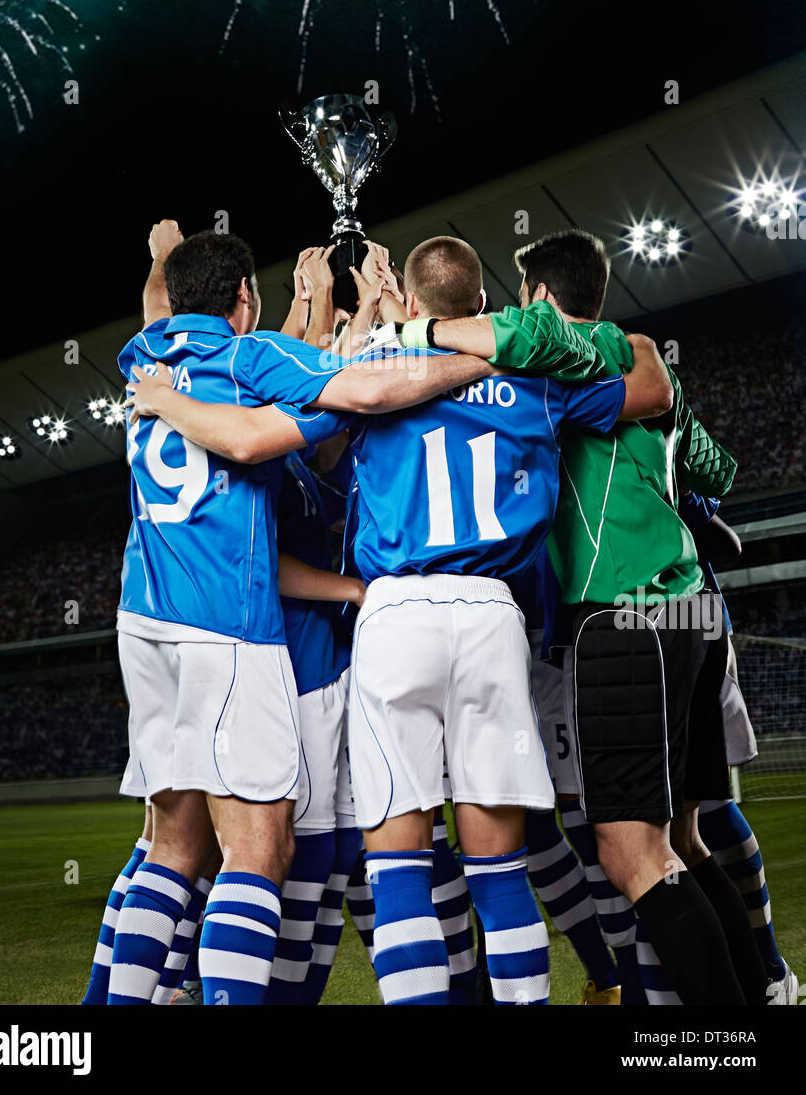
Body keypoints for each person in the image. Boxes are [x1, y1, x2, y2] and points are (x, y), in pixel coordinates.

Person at [125, 234, 672, 1005]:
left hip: (393, 614)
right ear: (481, 306)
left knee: (397, 862)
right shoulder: (536, 378)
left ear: (412, 306)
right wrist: (552, 344)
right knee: (500, 865)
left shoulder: (376, 375)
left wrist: (344, 313)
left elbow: (288, 423)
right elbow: (645, 391)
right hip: (494, 618)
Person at [105, 221, 500, 1006]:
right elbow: (348, 391)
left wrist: (162, 262)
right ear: (245, 299)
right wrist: (468, 350)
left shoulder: (146, 357)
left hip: (145, 616)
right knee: (262, 851)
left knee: (176, 845)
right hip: (234, 625)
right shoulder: (251, 363)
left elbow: (165, 306)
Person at [400, 228, 770, 1007]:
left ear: (538, 298)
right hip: (693, 612)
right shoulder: (637, 362)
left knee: (629, 854)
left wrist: (408, 328)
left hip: (628, 614)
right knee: (683, 840)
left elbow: (528, 339)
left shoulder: (586, 348)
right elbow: (717, 469)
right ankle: (764, 992)